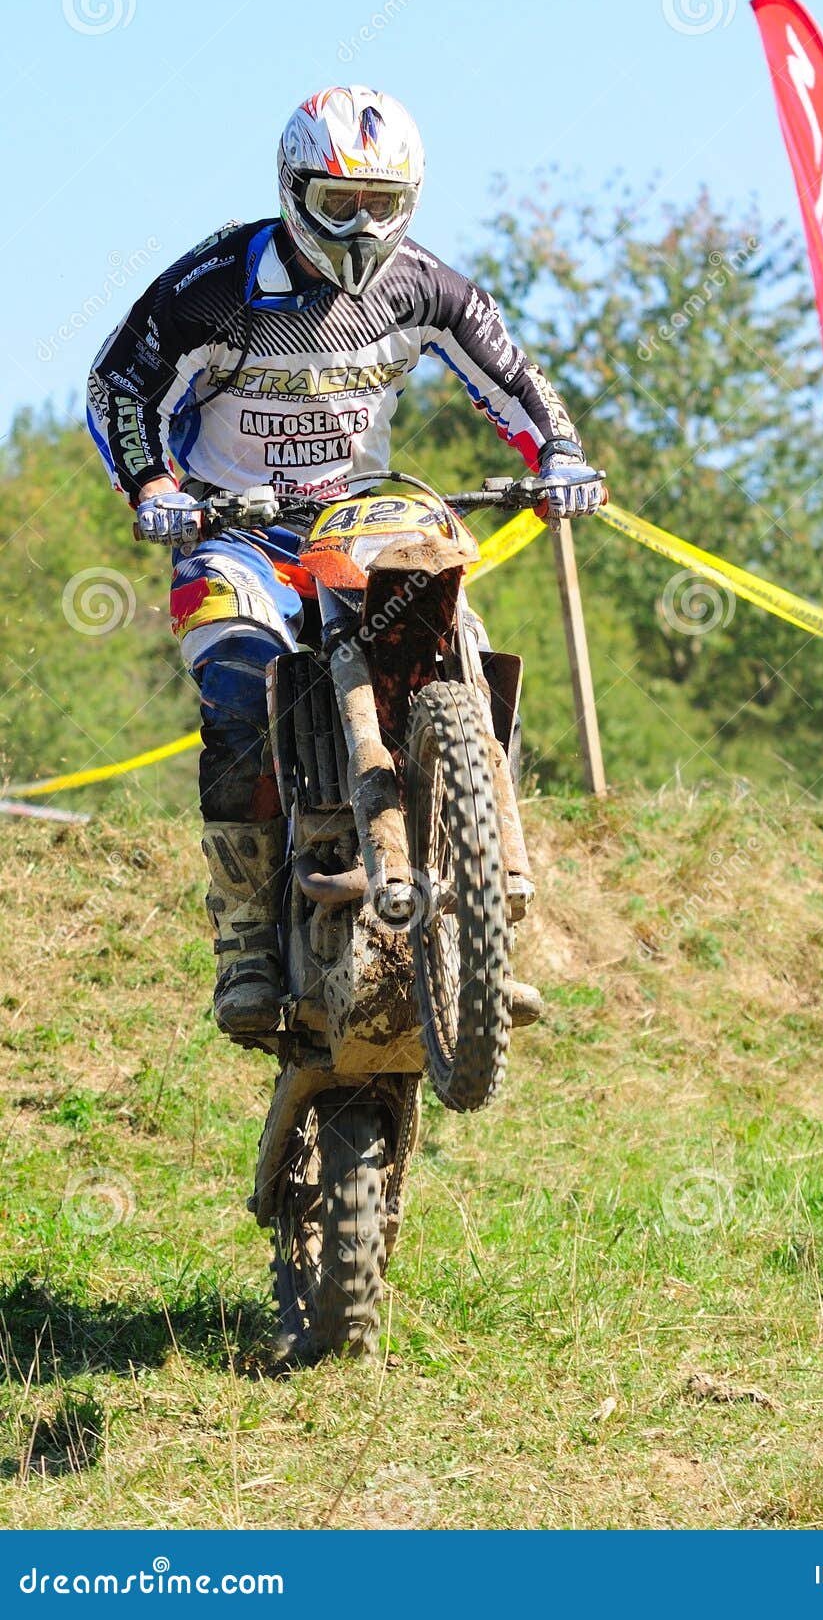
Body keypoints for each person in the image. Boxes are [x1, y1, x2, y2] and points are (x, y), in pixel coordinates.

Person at [87, 85, 604, 1035]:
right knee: (238, 690)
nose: (362, 228)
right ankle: (243, 927)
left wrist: (558, 456)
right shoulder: (211, 288)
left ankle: (491, 909)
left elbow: (515, 379)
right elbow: (120, 384)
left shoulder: (424, 285)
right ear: (292, 192)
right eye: (338, 205)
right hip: (229, 526)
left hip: (361, 511)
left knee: (458, 635)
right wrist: (154, 488)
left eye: (381, 204)